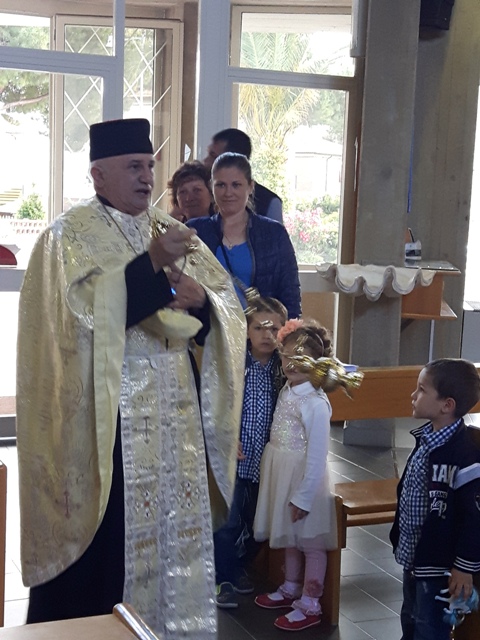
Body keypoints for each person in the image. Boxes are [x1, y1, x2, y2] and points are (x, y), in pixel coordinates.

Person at [16, 118, 246, 639]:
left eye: (149, 166)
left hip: (174, 421)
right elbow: (75, 320)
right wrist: (151, 268)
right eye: (133, 167)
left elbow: (223, 305)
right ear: (98, 175)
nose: (146, 177)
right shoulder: (66, 237)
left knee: (169, 533)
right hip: (108, 424)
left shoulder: (168, 229)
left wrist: (201, 303)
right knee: (107, 542)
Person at [253, 318, 338, 632]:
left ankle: (311, 602)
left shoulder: (315, 403)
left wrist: (304, 495)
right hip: (283, 473)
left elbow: (317, 455)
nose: (291, 364)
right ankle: (291, 586)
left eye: (300, 358)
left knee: (310, 541)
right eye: (286, 356)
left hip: (304, 479)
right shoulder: (288, 390)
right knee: (290, 534)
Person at [390, 358, 480, 640]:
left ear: (446, 405)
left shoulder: (463, 455)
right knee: (411, 619)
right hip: (415, 557)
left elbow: (474, 517)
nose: (413, 395)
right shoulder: (426, 440)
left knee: (430, 628)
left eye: (421, 390)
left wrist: (464, 567)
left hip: (439, 564)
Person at [215, 296, 288, 609]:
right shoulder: (234, 363)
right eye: (259, 328)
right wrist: (226, 438)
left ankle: (239, 566)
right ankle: (223, 576)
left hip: (266, 461)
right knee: (229, 521)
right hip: (236, 459)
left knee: (257, 522)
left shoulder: (284, 369)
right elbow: (217, 403)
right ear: (246, 330)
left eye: (274, 329)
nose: (267, 335)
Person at [188, 152, 301, 318]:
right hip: (208, 330)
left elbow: (291, 297)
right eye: (221, 185)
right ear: (211, 186)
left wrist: (288, 330)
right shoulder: (196, 231)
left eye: (236, 185)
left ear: (250, 186)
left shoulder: (274, 234)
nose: (228, 193)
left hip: (261, 331)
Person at [203, 128, 283, 223]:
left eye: (213, 156)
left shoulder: (269, 202)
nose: (205, 161)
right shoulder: (201, 194)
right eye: (221, 185)